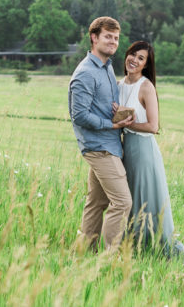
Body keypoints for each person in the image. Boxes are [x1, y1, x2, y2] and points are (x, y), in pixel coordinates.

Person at [118, 40, 184, 260]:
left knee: (146, 199)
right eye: (133, 54)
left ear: (145, 64)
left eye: (141, 58)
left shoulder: (146, 86)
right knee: (129, 199)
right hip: (125, 149)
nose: (134, 60)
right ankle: (131, 247)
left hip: (143, 151)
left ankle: (153, 248)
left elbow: (153, 126)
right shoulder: (119, 85)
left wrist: (126, 123)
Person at [68, 16, 136, 250]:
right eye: (108, 36)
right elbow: (79, 115)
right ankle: (109, 257)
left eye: (116, 38)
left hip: (109, 145)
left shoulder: (106, 68)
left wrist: (121, 112)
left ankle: (85, 250)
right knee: (123, 202)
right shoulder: (86, 73)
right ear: (94, 38)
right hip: (99, 147)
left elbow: (103, 105)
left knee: (96, 202)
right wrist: (111, 125)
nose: (113, 42)